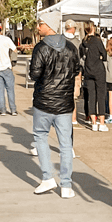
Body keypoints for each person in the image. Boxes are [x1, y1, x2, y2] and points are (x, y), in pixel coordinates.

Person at [29, 11, 78, 199]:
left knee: (41, 137)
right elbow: (76, 71)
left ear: (48, 25)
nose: (38, 27)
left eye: (40, 23)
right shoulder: (71, 48)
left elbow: (34, 74)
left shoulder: (40, 48)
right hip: (64, 103)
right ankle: (66, 185)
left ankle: (47, 177)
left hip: (43, 101)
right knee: (66, 145)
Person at [81, 21, 108, 132]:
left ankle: (93, 122)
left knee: (91, 96)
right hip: (98, 70)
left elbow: (81, 56)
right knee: (101, 96)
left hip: (88, 71)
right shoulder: (97, 41)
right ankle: (101, 123)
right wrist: (100, 57)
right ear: (93, 28)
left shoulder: (83, 42)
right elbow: (105, 55)